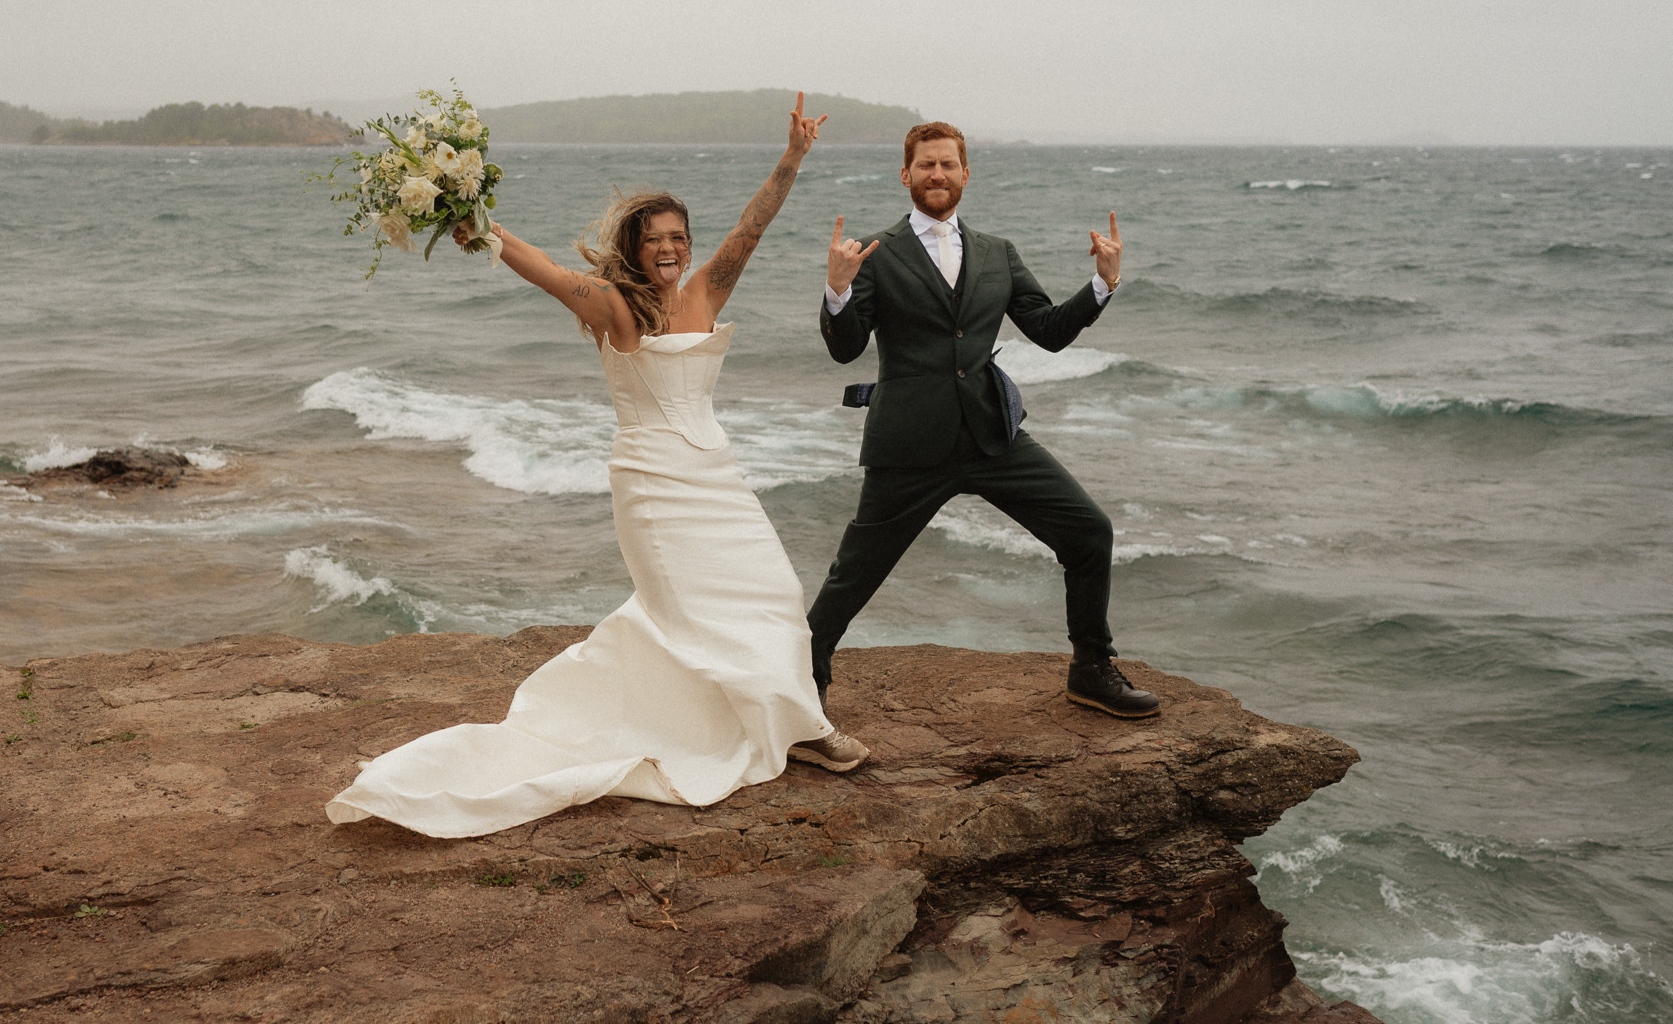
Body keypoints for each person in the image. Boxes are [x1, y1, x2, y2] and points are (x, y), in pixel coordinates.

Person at [326, 96, 869, 841]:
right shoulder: (616, 307)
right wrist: (477, 221)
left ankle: (791, 720)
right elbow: (546, 270)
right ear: (635, 247)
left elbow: (754, 226)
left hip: (714, 474)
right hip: (652, 484)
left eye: (679, 236)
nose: (671, 248)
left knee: (774, 591)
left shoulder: (708, 290)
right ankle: (798, 724)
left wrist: (793, 156)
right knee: (688, 617)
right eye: (657, 239)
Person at [810, 122, 1160, 719]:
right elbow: (845, 349)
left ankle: (1091, 668)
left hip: (993, 436)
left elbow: (1047, 331)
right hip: (909, 446)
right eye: (926, 166)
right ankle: (802, 681)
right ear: (906, 175)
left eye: (948, 165)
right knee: (854, 575)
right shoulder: (873, 254)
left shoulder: (998, 253)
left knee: (1088, 532)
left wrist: (1102, 284)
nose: (937, 175)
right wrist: (837, 292)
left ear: (965, 174)